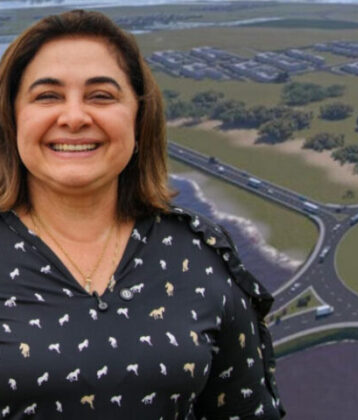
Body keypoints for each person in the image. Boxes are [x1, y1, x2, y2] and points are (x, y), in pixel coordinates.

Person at [0, 9, 285, 419]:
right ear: (12, 119)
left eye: (101, 96)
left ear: (138, 117)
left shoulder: (198, 256)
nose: (75, 117)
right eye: (47, 96)